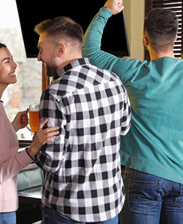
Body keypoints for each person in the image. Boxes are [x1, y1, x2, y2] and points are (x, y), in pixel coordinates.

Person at [82, 0, 183, 224]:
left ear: (144, 39)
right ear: (175, 38)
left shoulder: (133, 71)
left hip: (142, 177)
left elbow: (89, 51)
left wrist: (106, 11)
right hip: (182, 181)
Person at [33, 16, 131, 224]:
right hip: (108, 206)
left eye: (41, 50)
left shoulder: (55, 93)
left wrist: (36, 145)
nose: (39, 57)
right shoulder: (113, 81)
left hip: (67, 208)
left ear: (60, 50)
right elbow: (124, 128)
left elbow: (51, 161)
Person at [0, 42, 59, 224]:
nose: (14, 65)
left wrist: (11, 127)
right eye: (7, 61)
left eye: (12, 59)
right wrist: (34, 148)